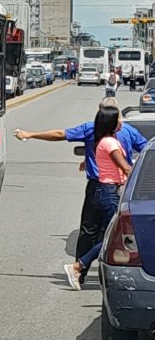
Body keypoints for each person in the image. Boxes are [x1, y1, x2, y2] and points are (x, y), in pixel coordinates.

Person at [13, 97, 147, 284]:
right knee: (114, 235)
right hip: (114, 189)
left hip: (96, 186)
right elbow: (143, 153)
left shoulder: (93, 131)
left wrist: (30, 134)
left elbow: (61, 134)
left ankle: (80, 271)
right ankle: (85, 268)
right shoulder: (124, 134)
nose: (120, 123)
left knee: (89, 231)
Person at [64, 106, 132, 290]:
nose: (121, 122)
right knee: (113, 237)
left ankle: (82, 267)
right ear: (111, 122)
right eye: (118, 119)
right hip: (109, 191)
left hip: (105, 190)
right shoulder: (109, 143)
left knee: (108, 235)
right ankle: (78, 266)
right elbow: (126, 168)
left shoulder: (104, 141)